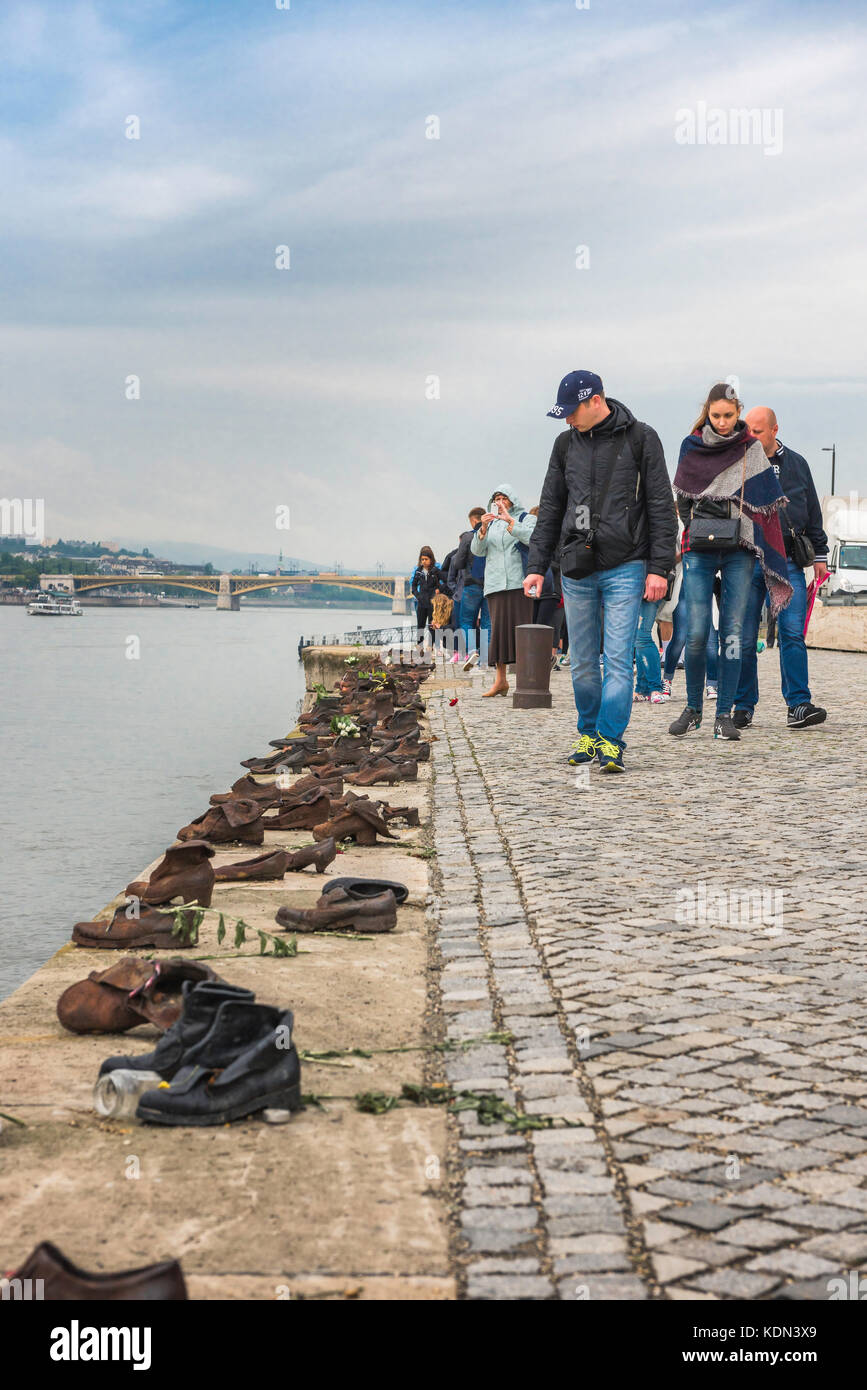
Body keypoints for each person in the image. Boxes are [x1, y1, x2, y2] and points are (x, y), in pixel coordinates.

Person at [525, 370, 676, 773]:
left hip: (627, 564)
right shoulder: (563, 444)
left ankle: (611, 741)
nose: (566, 420)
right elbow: (551, 506)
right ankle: (588, 733)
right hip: (575, 566)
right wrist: (537, 566)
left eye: (571, 412)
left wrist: (660, 567)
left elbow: (662, 505)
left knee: (618, 658)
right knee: (584, 661)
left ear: (594, 401)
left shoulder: (642, 438)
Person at [669, 384, 792, 742]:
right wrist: (694, 525)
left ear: (738, 412)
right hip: (699, 546)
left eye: (728, 415)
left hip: (740, 546)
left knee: (735, 635)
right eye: (715, 415)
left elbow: (765, 498)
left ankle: (724, 715)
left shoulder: (750, 448)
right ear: (707, 412)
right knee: (695, 633)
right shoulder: (691, 444)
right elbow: (682, 493)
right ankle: (693, 708)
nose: (722, 422)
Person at [733, 408, 829, 729]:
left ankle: (798, 705)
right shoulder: (737, 464)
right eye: (748, 431)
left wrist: (820, 555)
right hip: (746, 561)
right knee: (745, 637)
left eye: (757, 432)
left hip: (787, 561)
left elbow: (812, 511)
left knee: (791, 633)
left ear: (775, 429)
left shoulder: (797, 465)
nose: (751, 437)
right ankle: (744, 705)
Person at [470, 484, 536, 697]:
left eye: (503, 498)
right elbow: (477, 551)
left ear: (512, 500)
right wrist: (481, 530)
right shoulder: (490, 524)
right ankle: (500, 681)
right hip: (496, 583)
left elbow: (534, 539)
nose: (499, 502)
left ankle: (526, 681)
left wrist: (510, 521)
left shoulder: (526, 518)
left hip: (519, 582)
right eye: (496, 498)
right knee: (498, 633)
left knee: (523, 632)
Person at [449, 508, 490, 667]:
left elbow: (458, 563)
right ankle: (485, 658)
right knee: (487, 623)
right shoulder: (492, 534)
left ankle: (472, 651)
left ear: (474, 520)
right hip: (489, 585)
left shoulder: (467, 537)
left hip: (471, 584)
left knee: (466, 621)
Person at [410, 546, 445, 643]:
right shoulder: (417, 570)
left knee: (432, 624)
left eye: (426, 559)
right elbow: (412, 584)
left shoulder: (436, 568)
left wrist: (438, 591)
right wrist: (418, 595)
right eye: (422, 559)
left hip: (433, 601)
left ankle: (432, 646)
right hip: (420, 600)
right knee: (420, 624)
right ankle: (419, 646)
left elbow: (443, 581)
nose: (424, 561)